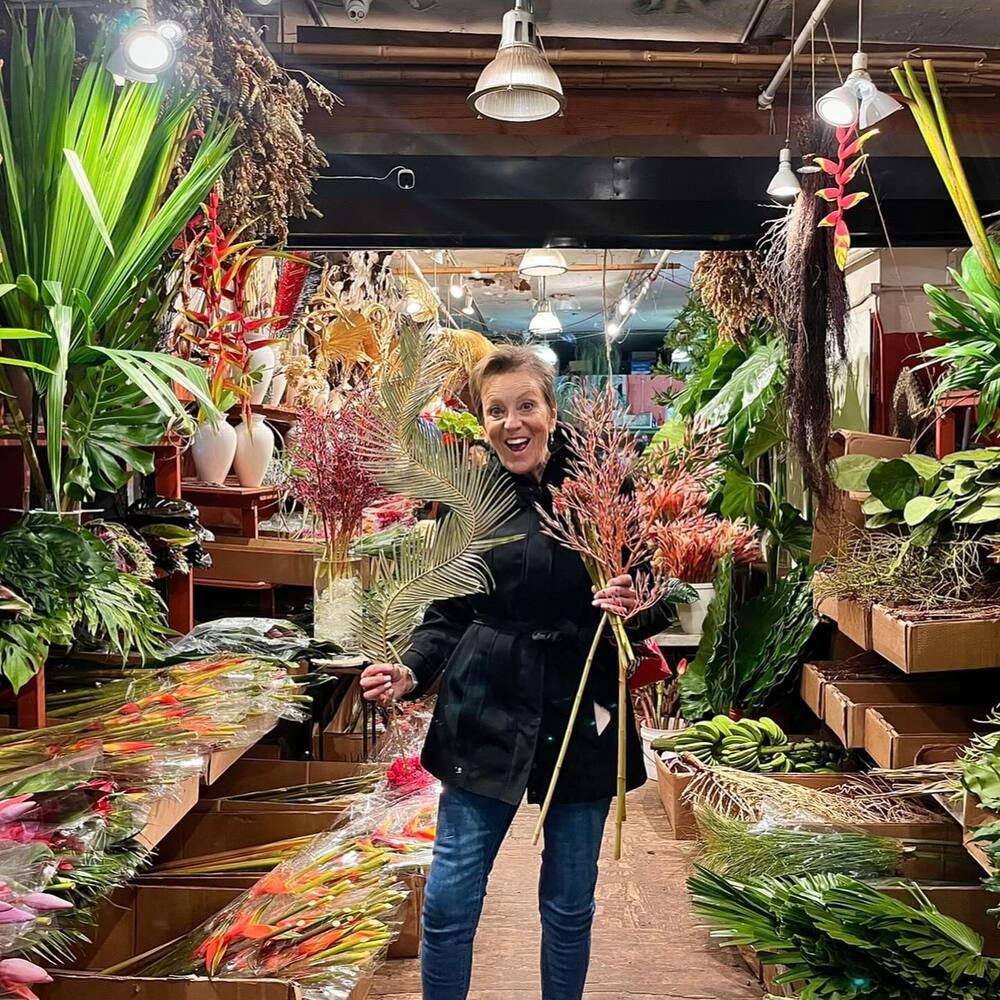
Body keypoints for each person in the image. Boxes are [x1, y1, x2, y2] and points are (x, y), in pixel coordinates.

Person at [360, 345, 670, 1000]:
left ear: (552, 413)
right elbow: (445, 615)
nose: (512, 422)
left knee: (567, 902)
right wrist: (411, 670)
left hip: (583, 706)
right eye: (496, 410)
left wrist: (633, 600)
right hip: (487, 706)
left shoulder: (600, 490)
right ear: (483, 422)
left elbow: (650, 591)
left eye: (525, 405)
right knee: (447, 902)